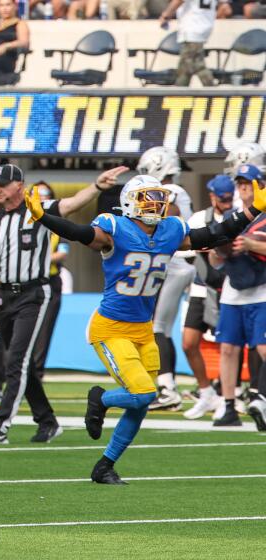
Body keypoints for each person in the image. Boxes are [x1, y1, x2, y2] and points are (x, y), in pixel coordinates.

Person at [26, 172, 266, 483]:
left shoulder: (169, 231)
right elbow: (80, 232)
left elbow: (214, 233)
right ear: (129, 202)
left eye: (159, 199)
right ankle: (100, 399)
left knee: (141, 405)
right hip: (111, 328)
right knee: (141, 394)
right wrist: (45, 217)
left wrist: (254, 210)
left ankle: (105, 466)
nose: (155, 205)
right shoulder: (114, 228)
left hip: (142, 329)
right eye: (148, 199)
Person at [0, 164, 111, 446]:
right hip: (3, 294)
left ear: (19, 185)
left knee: (17, 361)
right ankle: (47, 421)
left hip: (33, 294)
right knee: (17, 364)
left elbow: (73, 204)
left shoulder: (37, 207)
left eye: (2, 184)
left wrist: (97, 186)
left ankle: (0, 425)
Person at [134, 147, 194, 410]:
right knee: (161, 327)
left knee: (158, 327)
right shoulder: (177, 192)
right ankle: (166, 385)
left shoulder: (173, 193)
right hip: (178, 264)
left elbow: (169, 219)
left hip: (176, 264)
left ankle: (167, 389)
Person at [210, 164, 266, 429]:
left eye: (249, 182)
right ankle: (228, 405)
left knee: (264, 348)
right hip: (234, 289)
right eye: (240, 183)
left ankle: (261, 399)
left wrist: (251, 245)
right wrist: (219, 249)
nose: (244, 187)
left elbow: (257, 244)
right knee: (229, 349)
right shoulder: (231, 216)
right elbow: (214, 260)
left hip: (263, 289)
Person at [180, 174, 233, 419]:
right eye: (223, 198)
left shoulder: (239, 215)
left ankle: (226, 394)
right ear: (212, 197)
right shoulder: (200, 218)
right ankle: (206, 392)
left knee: (227, 346)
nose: (227, 202)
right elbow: (184, 247)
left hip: (231, 288)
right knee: (189, 342)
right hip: (202, 286)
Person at [30, 181, 68, 381]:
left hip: (49, 281)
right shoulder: (21, 221)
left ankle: (36, 376)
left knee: (44, 334)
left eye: (46, 194)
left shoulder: (57, 222)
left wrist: (38, 259)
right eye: (38, 194)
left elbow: (63, 252)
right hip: (27, 283)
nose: (42, 198)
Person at [160, 0, 218, 87]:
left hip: (192, 26)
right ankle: (180, 94)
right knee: (186, 66)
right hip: (204, 24)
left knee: (197, 65)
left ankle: (214, 93)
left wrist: (166, 15)